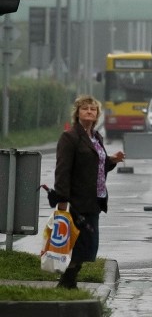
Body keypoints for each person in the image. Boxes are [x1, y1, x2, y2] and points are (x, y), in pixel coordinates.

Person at [53, 95, 125, 289]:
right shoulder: (70, 137)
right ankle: (67, 282)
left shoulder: (96, 137)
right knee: (79, 243)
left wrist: (111, 161)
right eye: (85, 109)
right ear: (77, 113)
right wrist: (62, 200)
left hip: (96, 199)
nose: (89, 112)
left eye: (93, 110)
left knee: (89, 244)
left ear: (97, 115)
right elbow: (62, 170)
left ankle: (69, 280)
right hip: (77, 201)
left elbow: (96, 165)